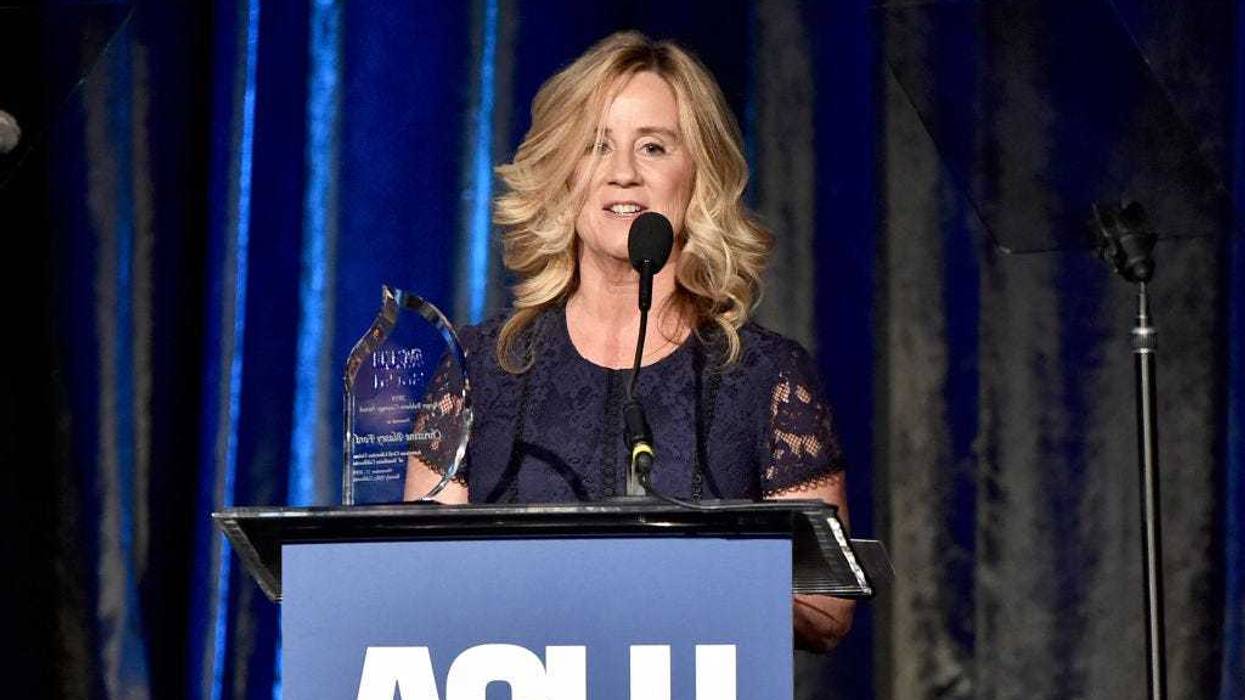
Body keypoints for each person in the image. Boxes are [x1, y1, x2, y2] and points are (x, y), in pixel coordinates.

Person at [404, 30, 853, 652]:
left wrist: (690, 580)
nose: (622, 174)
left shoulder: (767, 377)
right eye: (596, 146)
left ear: (699, 175)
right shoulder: (478, 369)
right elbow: (414, 585)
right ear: (564, 173)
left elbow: (827, 611)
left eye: (653, 146)